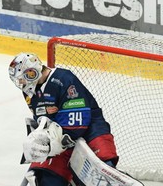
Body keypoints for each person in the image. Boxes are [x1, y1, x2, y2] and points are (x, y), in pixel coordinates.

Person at [8, 53, 119, 186]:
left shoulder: (64, 79)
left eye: (21, 78)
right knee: (47, 180)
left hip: (90, 128)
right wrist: (41, 139)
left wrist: (51, 144)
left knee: (103, 169)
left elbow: (78, 122)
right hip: (59, 138)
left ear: (31, 73)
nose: (20, 83)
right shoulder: (29, 91)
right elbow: (41, 118)